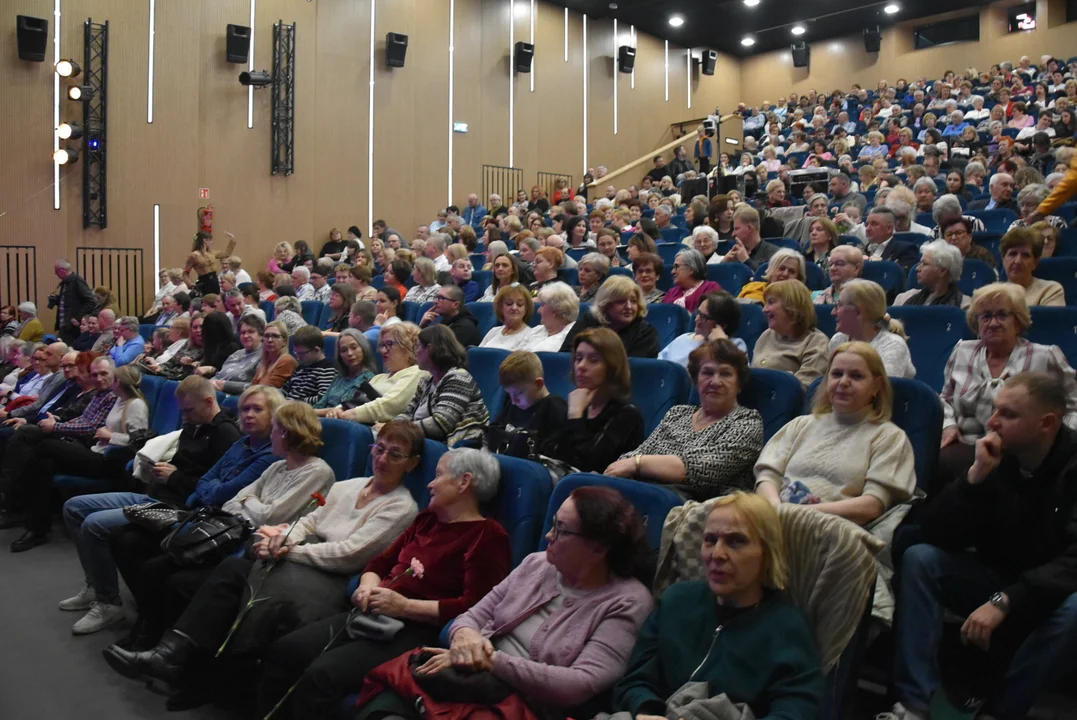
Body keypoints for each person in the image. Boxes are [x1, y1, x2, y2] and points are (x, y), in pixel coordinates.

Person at [102, 404, 344, 698]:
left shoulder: (317, 472)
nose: (271, 434)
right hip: (231, 534)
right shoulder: (276, 466)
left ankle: (182, 667)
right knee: (157, 567)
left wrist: (250, 503)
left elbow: (271, 516)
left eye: (275, 429)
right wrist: (253, 505)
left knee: (180, 582)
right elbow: (233, 502)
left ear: (288, 433)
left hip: (257, 548)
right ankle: (155, 644)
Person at [256, 446, 512, 719]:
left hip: (415, 631)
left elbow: (475, 608)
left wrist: (404, 606)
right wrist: (367, 586)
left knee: (322, 677)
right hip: (374, 612)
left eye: (439, 475)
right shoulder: (427, 519)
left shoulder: (488, 536)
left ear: (464, 482)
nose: (430, 484)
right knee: (287, 650)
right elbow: (379, 563)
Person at [890, 372, 1077, 720]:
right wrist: (973, 480)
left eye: (1008, 414)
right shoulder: (996, 458)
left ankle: (1000, 711)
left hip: (1050, 594)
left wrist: (1007, 600)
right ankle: (915, 703)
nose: (991, 422)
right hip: (996, 580)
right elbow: (934, 534)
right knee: (920, 558)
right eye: (994, 410)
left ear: (1047, 423)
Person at [385, 487, 653, 719]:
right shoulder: (536, 564)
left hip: (524, 706)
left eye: (561, 530)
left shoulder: (628, 601)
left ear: (598, 548)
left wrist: (489, 661)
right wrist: (465, 638)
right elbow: (472, 616)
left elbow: (578, 684)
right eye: (553, 524)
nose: (549, 535)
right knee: (388, 698)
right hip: (472, 678)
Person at [58, 375, 242, 635]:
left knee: (94, 524)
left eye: (189, 410)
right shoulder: (193, 425)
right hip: (157, 495)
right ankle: (95, 585)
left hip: (180, 508)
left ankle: (108, 603)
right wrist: (164, 470)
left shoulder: (225, 434)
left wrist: (174, 477)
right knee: (73, 507)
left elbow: (214, 491)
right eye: (182, 411)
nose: (184, 416)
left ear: (209, 402)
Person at [612, 492, 823, 718]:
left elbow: (797, 710)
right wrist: (646, 710)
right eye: (710, 540)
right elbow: (633, 681)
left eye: (736, 541)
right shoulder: (676, 601)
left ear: (767, 552)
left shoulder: (786, 628)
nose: (717, 554)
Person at [937, 283, 1077, 492]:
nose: (993, 323)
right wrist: (948, 426)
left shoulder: (1045, 356)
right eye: (985, 316)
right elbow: (945, 398)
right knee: (940, 464)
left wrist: (1057, 443)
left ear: (1018, 322)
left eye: (1002, 315)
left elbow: (1073, 405)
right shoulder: (962, 351)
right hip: (968, 444)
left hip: (1023, 450)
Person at [756, 341, 916, 524]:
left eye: (856, 376)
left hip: (834, 529)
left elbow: (872, 506)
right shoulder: (800, 425)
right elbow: (767, 477)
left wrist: (796, 514)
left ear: (876, 387)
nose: (843, 382)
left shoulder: (889, 437)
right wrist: (776, 509)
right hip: (776, 519)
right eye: (837, 374)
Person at [10, 360, 149, 552]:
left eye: (110, 377)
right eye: (96, 374)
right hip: (96, 452)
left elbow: (139, 442)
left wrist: (111, 436)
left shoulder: (135, 405)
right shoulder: (118, 399)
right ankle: (36, 529)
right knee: (44, 463)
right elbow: (89, 421)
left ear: (120, 381)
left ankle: (15, 496)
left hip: (110, 461)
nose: (102, 380)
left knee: (45, 446)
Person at [608, 338, 764, 500]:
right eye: (707, 373)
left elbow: (699, 468)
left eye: (726, 374)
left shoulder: (747, 421)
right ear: (696, 381)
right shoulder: (678, 414)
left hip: (702, 507)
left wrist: (638, 464)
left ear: (739, 384)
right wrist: (631, 463)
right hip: (650, 493)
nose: (715, 381)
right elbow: (634, 456)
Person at [545, 328, 645, 472]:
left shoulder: (627, 415)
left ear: (612, 368)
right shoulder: (579, 405)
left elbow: (589, 467)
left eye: (593, 360)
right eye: (578, 358)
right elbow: (552, 454)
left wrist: (575, 416)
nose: (581, 366)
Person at [391, 325, 487, 447]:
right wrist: (390, 427)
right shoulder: (426, 381)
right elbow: (408, 413)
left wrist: (401, 430)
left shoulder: (458, 378)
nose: (415, 352)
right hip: (427, 440)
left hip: (458, 446)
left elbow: (441, 424)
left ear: (430, 349)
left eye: (417, 346)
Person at [328, 323, 428, 426]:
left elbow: (389, 406)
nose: (383, 351)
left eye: (389, 344)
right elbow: (355, 400)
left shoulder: (416, 372)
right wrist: (338, 409)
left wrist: (346, 414)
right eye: (382, 345)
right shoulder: (378, 378)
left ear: (407, 345)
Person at [484, 350, 568, 456]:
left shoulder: (555, 407)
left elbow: (555, 451)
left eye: (518, 393)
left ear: (538, 384)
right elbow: (495, 431)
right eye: (509, 394)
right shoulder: (513, 405)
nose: (513, 401)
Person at [753, 279, 830, 389]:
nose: (764, 310)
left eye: (771, 302)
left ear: (792, 307)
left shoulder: (816, 342)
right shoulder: (767, 335)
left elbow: (800, 389)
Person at [830, 279, 916, 378]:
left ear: (858, 312)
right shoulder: (838, 340)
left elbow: (883, 386)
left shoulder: (893, 345)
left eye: (839, 305)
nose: (833, 312)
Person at [560, 275, 659, 358]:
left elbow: (631, 368)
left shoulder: (646, 333)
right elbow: (565, 356)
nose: (629, 307)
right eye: (621, 301)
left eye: (633, 301)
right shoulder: (590, 321)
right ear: (606, 304)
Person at [660, 291, 746, 367]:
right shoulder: (683, 339)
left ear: (722, 325)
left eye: (704, 317)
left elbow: (739, 374)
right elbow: (659, 365)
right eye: (698, 313)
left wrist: (721, 344)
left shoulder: (735, 345)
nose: (696, 319)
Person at [313, 329, 377, 415]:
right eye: (343, 350)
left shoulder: (370, 379)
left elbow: (348, 408)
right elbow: (320, 405)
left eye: (354, 347)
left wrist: (311, 412)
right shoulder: (339, 378)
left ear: (364, 349)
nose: (349, 353)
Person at [894, 240, 971, 308]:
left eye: (924, 264)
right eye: (920, 263)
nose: (917, 268)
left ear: (942, 271)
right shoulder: (904, 298)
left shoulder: (964, 305)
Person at [1000, 227, 1066, 306]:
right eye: (1013, 254)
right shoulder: (992, 293)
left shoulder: (1050, 290)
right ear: (1003, 260)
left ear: (1035, 263)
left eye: (1025, 255)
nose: (1018, 261)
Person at [200, 314, 263, 388]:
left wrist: (225, 385)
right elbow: (219, 375)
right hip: (212, 387)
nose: (246, 336)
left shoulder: (264, 356)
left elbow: (256, 387)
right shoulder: (237, 353)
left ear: (261, 335)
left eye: (251, 332)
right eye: (243, 333)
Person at [282, 326, 339, 404]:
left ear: (316, 350)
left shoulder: (327, 368)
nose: (297, 357)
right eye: (296, 352)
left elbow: (323, 397)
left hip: (302, 407)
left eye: (301, 353)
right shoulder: (301, 367)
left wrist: (295, 402)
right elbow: (285, 389)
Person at [50, 260, 97, 344]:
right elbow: (68, 303)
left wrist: (78, 317)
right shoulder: (64, 283)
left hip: (72, 327)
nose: (55, 274)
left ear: (62, 270)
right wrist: (57, 300)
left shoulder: (77, 281)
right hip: (64, 325)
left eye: (56, 271)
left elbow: (91, 301)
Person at [661, 248, 722, 313]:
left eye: (676, 267)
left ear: (691, 269)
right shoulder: (672, 292)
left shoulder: (711, 288)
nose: (672, 272)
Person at [737, 249, 807, 304]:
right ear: (771, 270)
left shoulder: (806, 298)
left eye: (791, 271)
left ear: (798, 278)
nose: (785, 274)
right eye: (781, 268)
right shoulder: (751, 288)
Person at [863, 206, 919, 274]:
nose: (867, 229)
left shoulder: (905, 250)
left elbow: (901, 276)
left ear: (889, 228)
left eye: (874, 224)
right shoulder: (861, 250)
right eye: (866, 224)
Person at [479, 285, 534, 351]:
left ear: (526, 308)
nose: (514, 308)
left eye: (520, 304)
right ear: (500, 307)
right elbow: (477, 354)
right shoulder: (493, 331)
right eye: (509, 303)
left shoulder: (530, 335)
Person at [185, 231, 236, 296]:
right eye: (210, 240)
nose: (211, 242)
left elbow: (226, 254)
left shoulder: (212, 253)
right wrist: (189, 283)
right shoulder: (194, 256)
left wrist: (232, 240)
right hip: (204, 282)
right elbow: (185, 272)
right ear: (205, 240)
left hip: (215, 281)